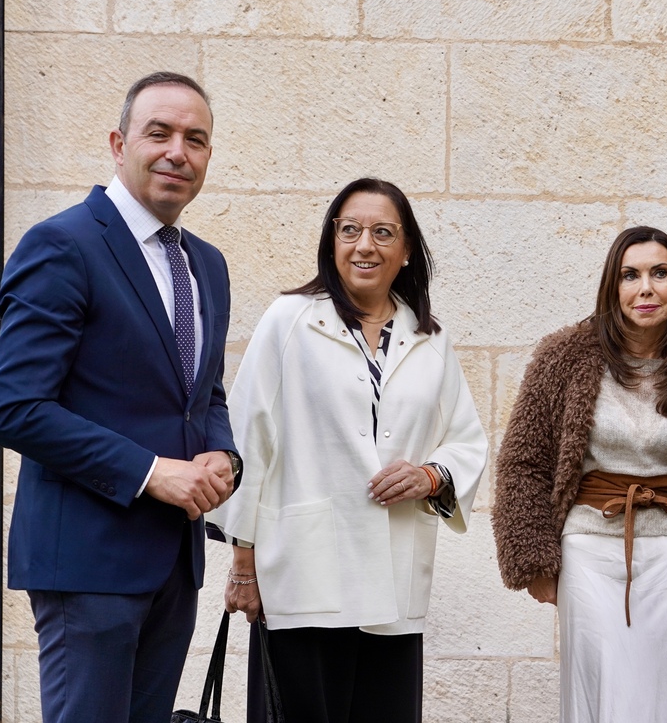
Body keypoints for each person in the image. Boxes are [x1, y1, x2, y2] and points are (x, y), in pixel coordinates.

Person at [0, 71, 239, 722]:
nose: (178, 151)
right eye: (160, 133)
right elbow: (14, 406)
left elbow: (202, 393)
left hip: (174, 567)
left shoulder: (206, 264)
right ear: (118, 143)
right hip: (88, 564)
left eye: (196, 139)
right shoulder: (63, 245)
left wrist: (223, 456)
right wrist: (151, 473)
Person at [206, 177, 488, 723]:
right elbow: (247, 440)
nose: (365, 245)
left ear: (406, 251)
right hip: (305, 576)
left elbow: (466, 438)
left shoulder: (430, 338)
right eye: (351, 230)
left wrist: (432, 476)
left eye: (383, 233)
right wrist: (243, 562)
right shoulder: (289, 320)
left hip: (394, 580)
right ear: (331, 241)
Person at [492, 226, 667, 723]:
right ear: (613, 285)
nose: (645, 288)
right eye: (630, 275)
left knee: (666, 696)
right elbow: (524, 462)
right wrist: (534, 560)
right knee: (600, 693)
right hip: (588, 551)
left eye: (659, 273)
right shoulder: (563, 357)